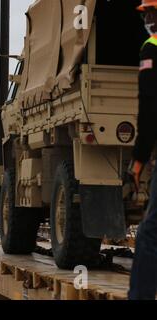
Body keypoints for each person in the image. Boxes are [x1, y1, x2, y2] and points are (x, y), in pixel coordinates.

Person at [128, 0, 157, 300]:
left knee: (150, 232)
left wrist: (138, 160)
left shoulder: (151, 48)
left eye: (152, 13)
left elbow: (149, 111)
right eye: (146, 14)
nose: (148, 19)